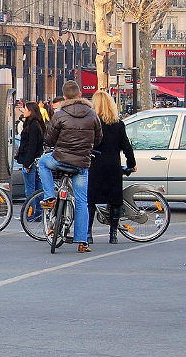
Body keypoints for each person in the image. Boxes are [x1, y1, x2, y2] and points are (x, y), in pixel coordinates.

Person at [38, 80, 102, 253]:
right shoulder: (92, 114)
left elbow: (50, 138)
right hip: (81, 163)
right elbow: (98, 139)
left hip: (60, 159)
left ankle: (50, 195)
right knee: (82, 202)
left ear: (65, 97)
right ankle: (82, 241)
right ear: (80, 94)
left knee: (42, 163)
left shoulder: (60, 114)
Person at [87, 91, 136, 244]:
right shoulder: (118, 124)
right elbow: (127, 146)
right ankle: (113, 234)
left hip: (95, 164)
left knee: (91, 200)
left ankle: (88, 233)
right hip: (113, 165)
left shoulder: (93, 123)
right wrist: (131, 164)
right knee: (115, 200)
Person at [15, 102, 45, 199]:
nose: (23, 111)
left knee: (30, 189)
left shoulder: (33, 125)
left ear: (31, 111)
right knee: (37, 187)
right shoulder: (36, 123)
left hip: (30, 160)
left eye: (25, 109)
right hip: (35, 159)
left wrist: (27, 163)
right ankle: (38, 212)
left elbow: (32, 145)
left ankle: (30, 212)